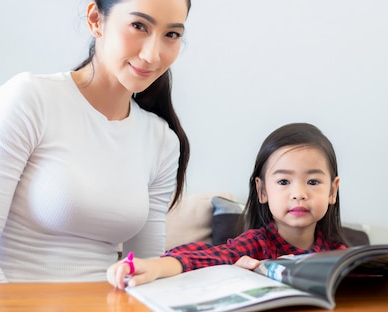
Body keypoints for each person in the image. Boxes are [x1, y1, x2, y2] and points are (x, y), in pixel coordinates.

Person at [0, 0, 192, 283]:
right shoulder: (30, 99)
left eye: (171, 35)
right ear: (96, 19)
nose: (153, 53)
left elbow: (144, 271)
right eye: (138, 25)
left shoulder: (162, 141)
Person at [108, 122, 348, 289]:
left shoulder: (338, 251)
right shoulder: (255, 244)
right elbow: (204, 257)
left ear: (332, 190)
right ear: (262, 190)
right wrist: (154, 267)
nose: (299, 193)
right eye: (284, 181)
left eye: (313, 181)